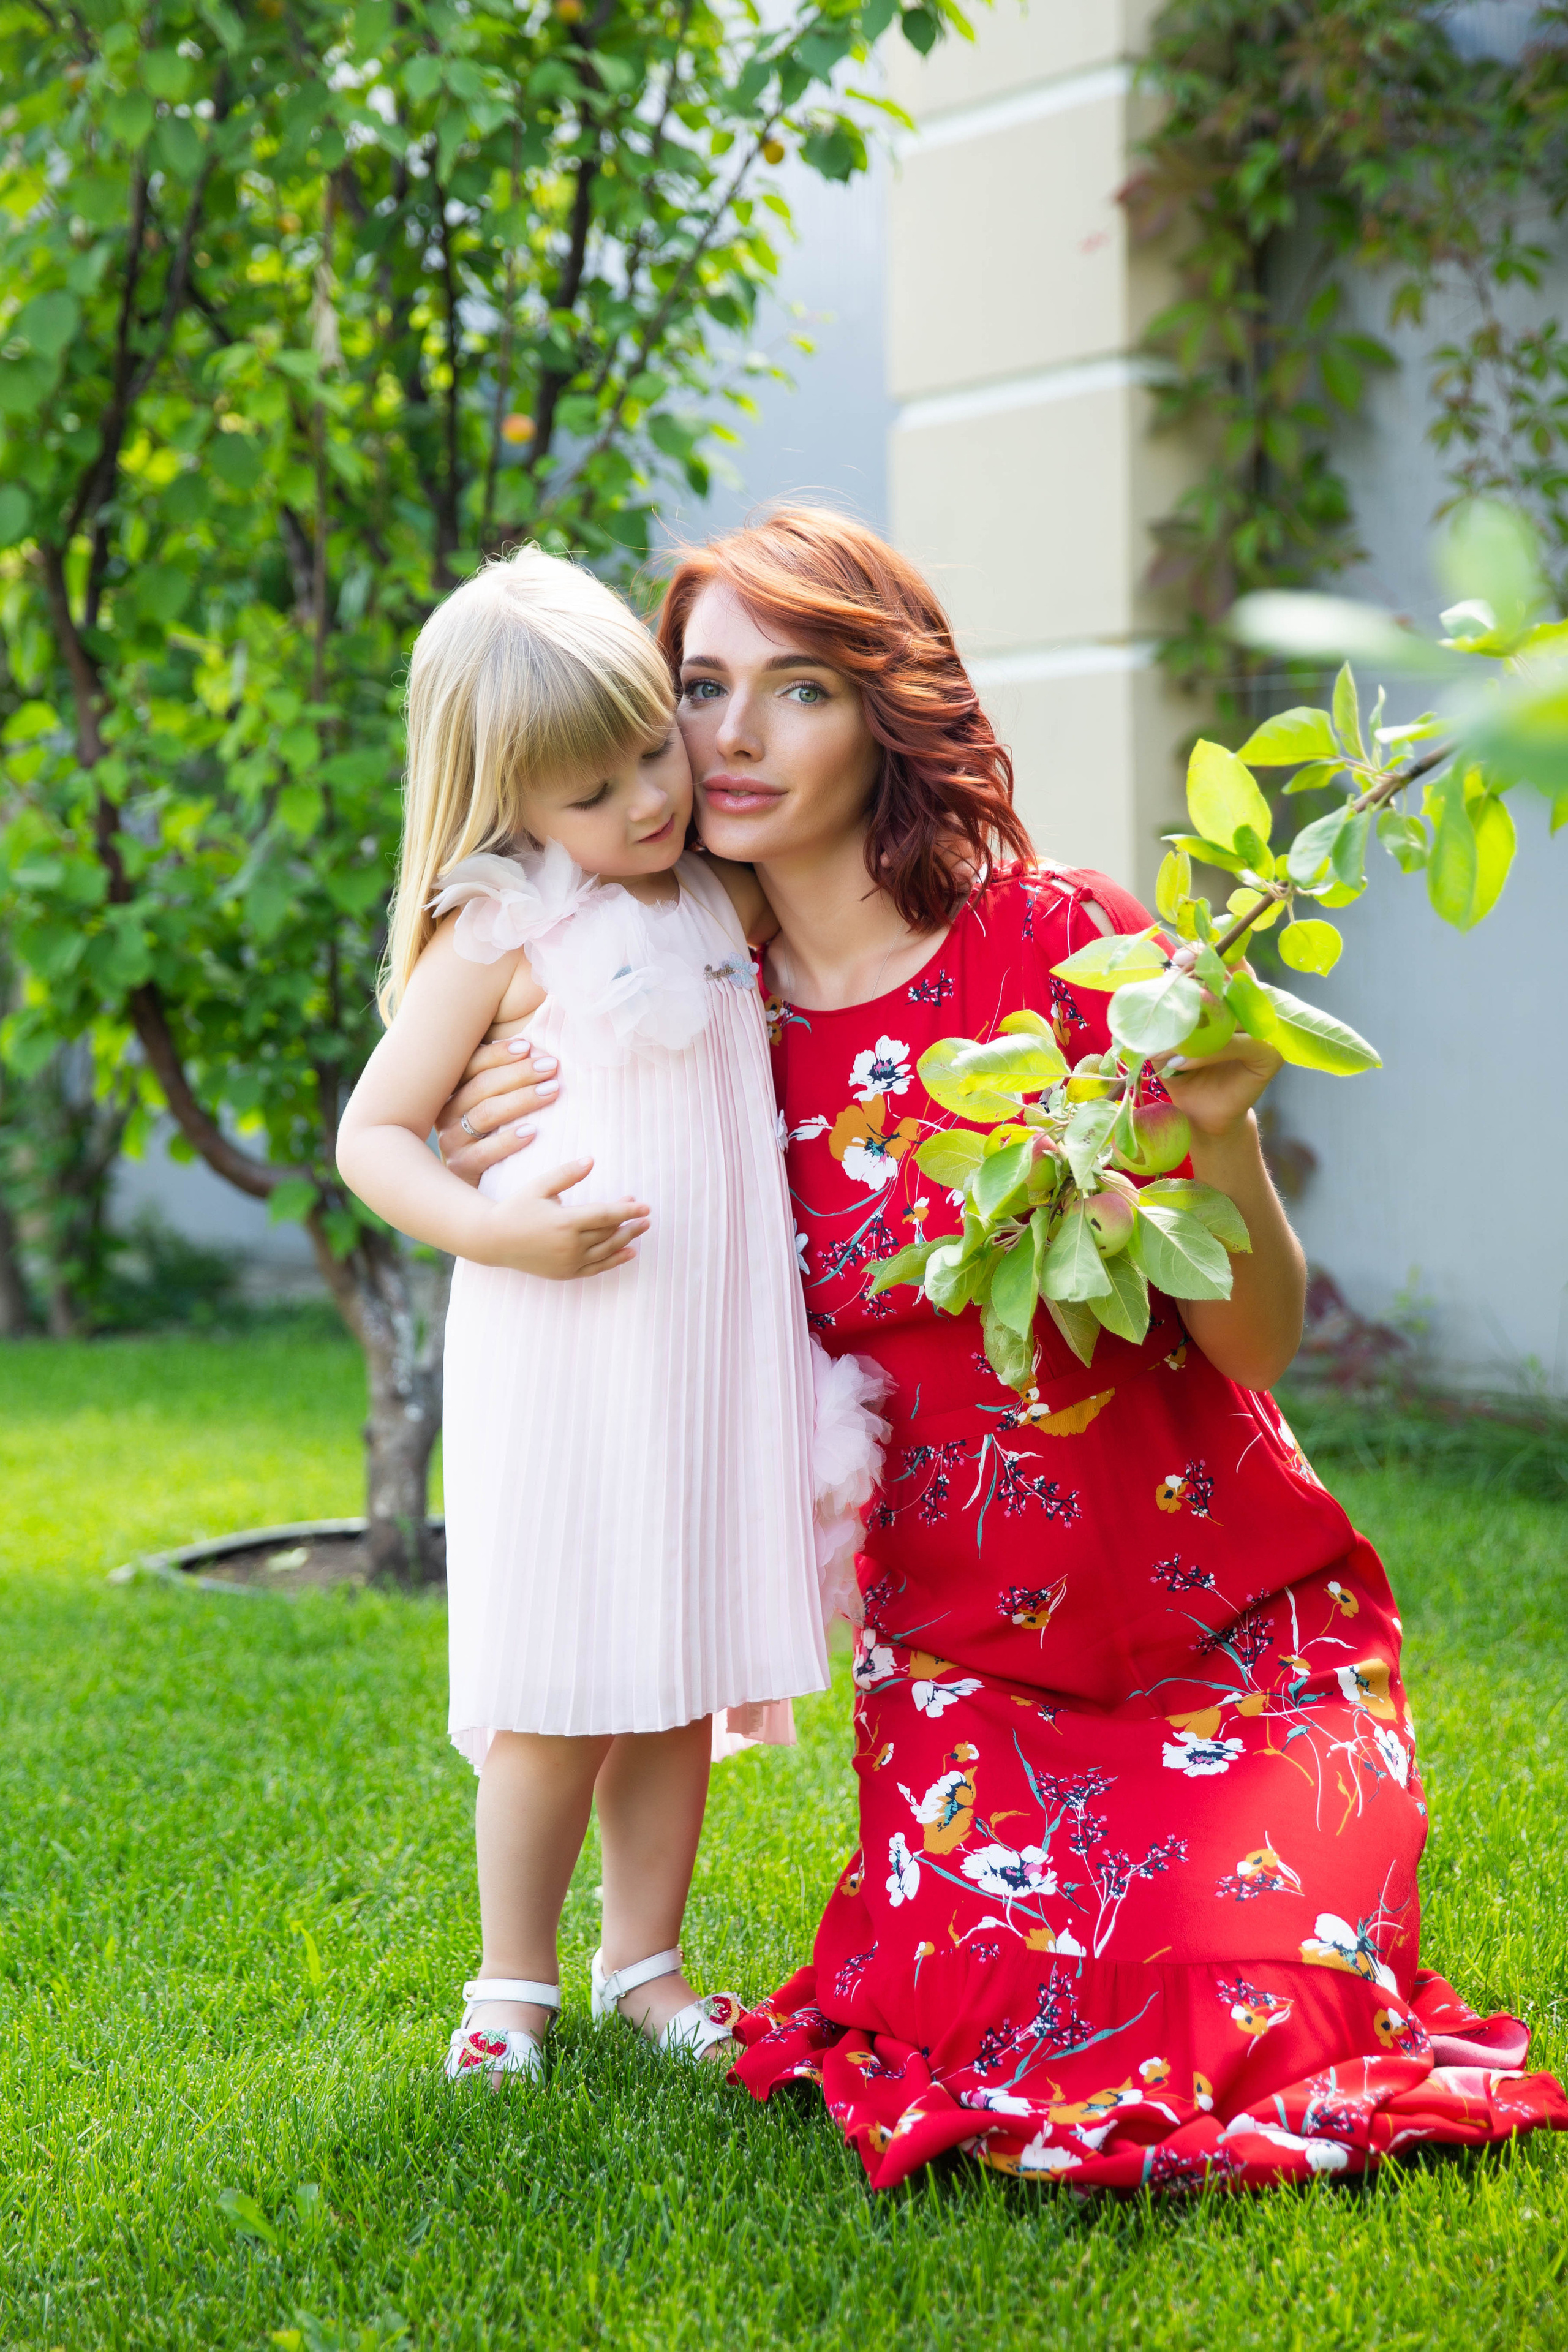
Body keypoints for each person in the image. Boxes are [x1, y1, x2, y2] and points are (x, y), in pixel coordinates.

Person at [434, 509, 1567, 2187]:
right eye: (699, 684)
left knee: (1236, 2012)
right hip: (968, 1659)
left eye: (798, 686)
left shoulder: (1063, 947)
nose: (732, 735)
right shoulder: (679, 998)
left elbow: (1252, 1346)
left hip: (1224, 1623)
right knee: (1010, 2016)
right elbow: (461, 1080)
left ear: (882, 711)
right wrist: (479, 1131)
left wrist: (1226, 1146)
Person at [336, 545, 884, 2090]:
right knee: (559, 1684)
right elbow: (374, 1136)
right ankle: (510, 1977)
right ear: (509, 810)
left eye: (653, 750)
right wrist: (493, 1222)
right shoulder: (500, 930)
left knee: (676, 1673)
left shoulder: (719, 892)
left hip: (706, 1361)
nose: (646, 801)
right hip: (565, 1358)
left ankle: (647, 1959)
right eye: (592, 794)